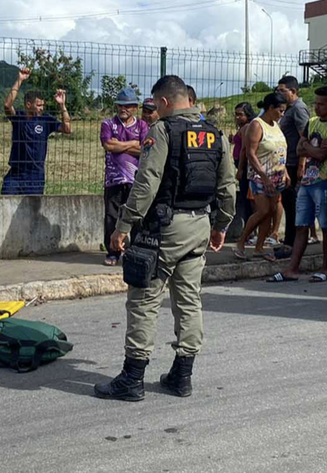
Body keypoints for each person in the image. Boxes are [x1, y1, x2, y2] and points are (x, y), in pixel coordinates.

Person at [95, 75, 236, 402]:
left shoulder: (163, 131)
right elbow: (228, 188)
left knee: (144, 300)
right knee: (189, 299)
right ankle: (182, 376)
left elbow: (146, 185)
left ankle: (132, 379)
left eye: (156, 105)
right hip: (200, 226)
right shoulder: (216, 136)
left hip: (164, 229)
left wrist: (123, 225)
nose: (154, 111)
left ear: (166, 102)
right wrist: (221, 226)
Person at [268, 86, 327, 283]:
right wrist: (309, 148)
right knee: (301, 225)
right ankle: (292, 269)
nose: (317, 107)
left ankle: (326, 268)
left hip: (324, 181)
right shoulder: (312, 122)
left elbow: (323, 154)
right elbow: (299, 148)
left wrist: (308, 148)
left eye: (321, 104)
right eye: (316, 103)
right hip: (307, 181)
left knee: (326, 226)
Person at [233, 91, 289, 261]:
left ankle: (259, 247)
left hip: (277, 175)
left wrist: (284, 171)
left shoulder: (275, 124)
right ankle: (241, 243)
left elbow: (280, 150)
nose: (282, 114)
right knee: (262, 210)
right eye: (280, 110)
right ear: (270, 108)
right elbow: (250, 153)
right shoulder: (257, 125)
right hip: (260, 177)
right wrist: (263, 176)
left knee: (270, 211)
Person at [1, 67, 72, 195]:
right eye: (39, 105)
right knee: (6, 204)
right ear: (28, 105)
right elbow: (7, 105)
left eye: (43, 105)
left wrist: (62, 106)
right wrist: (20, 80)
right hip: (17, 172)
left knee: (33, 210)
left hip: (36, 174)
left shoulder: (46, 120)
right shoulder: (19, 118)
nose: (41, 108)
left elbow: (67, 128)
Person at [100, 87, 150, 266]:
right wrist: (132, 144)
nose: (123, 109)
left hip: (135, 180)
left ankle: (135, 252)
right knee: (111, 217)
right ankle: (113, 252)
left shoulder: (142, 125)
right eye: (120, 105)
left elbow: (144, 149)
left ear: (135, 107)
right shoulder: (108, 124)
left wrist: (119, 144)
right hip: (113, 179)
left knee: (136, 218)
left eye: (128, 106)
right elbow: (108, 146)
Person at [275, 76, 311, 249]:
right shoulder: (289, 109)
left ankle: (292, 242)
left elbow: (306, 136)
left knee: (293, 203)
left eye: (282, 90)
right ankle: (290, 240)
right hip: (287, 161)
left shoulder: (298, 109)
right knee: (289, 203)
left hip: (295, 162)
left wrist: (302, 163)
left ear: (293, 91)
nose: (279, 93)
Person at [230, 102, 256, 230]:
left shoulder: (246, 127)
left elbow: (244, 150)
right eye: (236, 115)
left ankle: (249, 229)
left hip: (245, 167)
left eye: (240, 115)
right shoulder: (243, 128)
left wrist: (240, 169)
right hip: (242, 165)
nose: (237, 117)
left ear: (248, 115)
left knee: (248, 199)